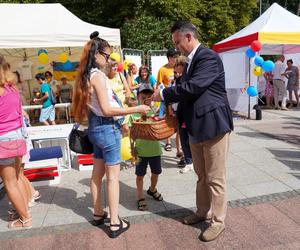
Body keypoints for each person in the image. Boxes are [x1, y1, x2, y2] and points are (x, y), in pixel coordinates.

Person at [153, 20, 233, 242]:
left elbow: (193, 88)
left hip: (214, 126)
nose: (176, 47)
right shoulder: (190, 61)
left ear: (188, 37)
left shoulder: (208, 57)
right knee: (201, 176)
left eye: (178, 42)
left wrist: (165, 95)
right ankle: (202, 211)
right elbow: (188, 95)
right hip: (196, 127)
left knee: (215, 178)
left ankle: (217, 221)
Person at [72, 31, 150, 238]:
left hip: (95, 130)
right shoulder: (97, 76)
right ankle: (115, 222)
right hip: (107, 128)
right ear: (97, 54)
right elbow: (107, 110)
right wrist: (136, 109)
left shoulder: (85, 75)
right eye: (107, 56)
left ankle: (98, 214)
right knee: (113, 178)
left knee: (97, 174)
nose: (109, 60)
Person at [0, 54, 32, 229]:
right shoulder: (12, 88)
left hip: (3, 140)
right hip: (18, 137)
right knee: (17, 177)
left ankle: (25, 219)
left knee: (10, 182)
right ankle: (23, 211)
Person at [129, 83, 163, 211]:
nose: (147, 99)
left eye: (149, 97)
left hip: (155, 150)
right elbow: (131, 134)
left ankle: (152, 189)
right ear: (138, 97)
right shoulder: (133, 114)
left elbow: (163, 117)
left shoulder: (155, 111)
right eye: (144, 97)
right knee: (140, 175)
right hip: (140, 151)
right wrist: (132, 148)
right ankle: (140, 196)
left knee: (156, 172)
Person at [170, 56, 193, 173]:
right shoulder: (178, 80)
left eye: (176, 66)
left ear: (182, 66)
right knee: (183, 138)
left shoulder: (189, 78)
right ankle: (188, 161)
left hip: (189, 113)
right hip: (181, 112)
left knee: (190, 138)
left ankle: (191, 160)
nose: (174, 69)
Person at [157, 48, 181, 153]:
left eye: (177, 56)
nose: (176, 59)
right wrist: (158, 101)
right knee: (168, 120)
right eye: (174, 57)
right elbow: (158, 85)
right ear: (169, 58)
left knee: (179, 122)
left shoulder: (180, 67)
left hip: (179, 99)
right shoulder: (162, 70)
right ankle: (168, 142)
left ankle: (180, 146)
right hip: (167, 99)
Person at [107, 60, 131, 136]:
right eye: (113, 66)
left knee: (126, 128)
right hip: (113, 108)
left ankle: (128, 146)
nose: (115, 68)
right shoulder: (104, 78)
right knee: (116, 130)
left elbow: (128, 90)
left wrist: (126, 99)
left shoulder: (120, 75)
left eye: (116, 66)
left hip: (123, 106)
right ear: (108, 68)